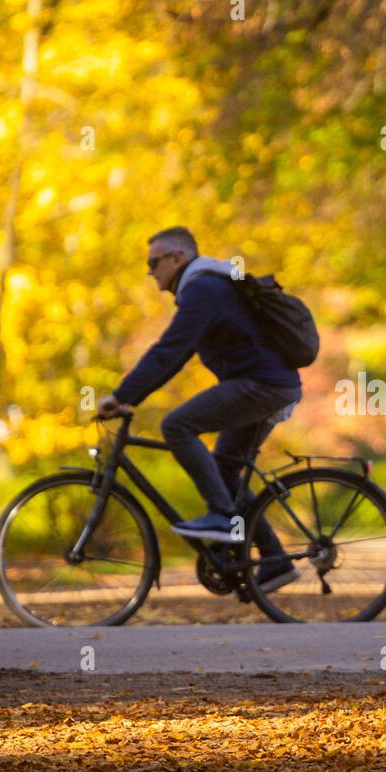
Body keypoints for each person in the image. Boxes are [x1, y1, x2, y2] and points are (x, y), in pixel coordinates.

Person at [97, 226, 302, 593]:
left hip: (262, 385)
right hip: (266, 384)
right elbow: (175, 355)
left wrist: (122, 395)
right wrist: (131, 395)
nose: (149, 272)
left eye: (154, 262)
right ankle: (274, 561)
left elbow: (170, 351)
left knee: (176, 425)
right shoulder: (206, 286)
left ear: (177, 258)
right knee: (224, 466)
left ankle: (223, 517)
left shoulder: (202, 288)